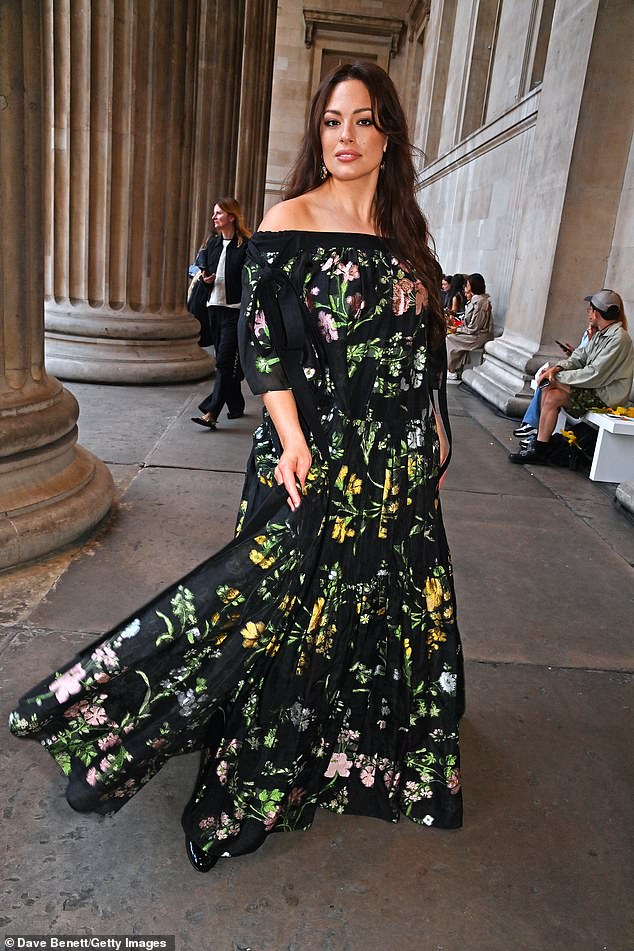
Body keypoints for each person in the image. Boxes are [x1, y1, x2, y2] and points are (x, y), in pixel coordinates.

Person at [9, 62, 464, 873]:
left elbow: (418, 348)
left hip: (394, 465)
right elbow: (263, 341)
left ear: (389, 133)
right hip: (314, 454)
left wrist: (432, 431)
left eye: (363, 120)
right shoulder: (291, 219)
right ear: (317, 135)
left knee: (375, 610)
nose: (346, 138)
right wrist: (290, 438)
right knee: (275, 604)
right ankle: (228, 770)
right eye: (331, 122)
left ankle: (356, 756)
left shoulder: (408, 236)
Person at [509, 289, 633, 465]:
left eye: (589, 309)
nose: (588, 313)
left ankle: (536, 439)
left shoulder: (619, 339)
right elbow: (578, 357)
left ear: (596, 312)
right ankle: (540, 446)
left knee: (551, 387)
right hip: (593, 390)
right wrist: (556, 369)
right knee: (551, 394)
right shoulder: (601, 335)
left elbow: (594, 374)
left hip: (605, 397)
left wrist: (557, 378)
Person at [191, 198, 251, 430]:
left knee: (224, 362)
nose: (214, 217)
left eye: (218, 213)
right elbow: (201, 273)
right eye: (214, 213)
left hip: (234, 312)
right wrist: (206, 281)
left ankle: (211, 411)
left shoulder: (245, 245)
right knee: (224, 361)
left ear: (231, 217)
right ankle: (236, 403)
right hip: (214, 309)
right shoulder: (213, 244)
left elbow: (249, 280)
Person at [513, 323, 595, 441]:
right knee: (547, 381)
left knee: (550, 381)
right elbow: (580, 359)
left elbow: (592, 367)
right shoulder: (589, 330)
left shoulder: (604, 337)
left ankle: (533, 427)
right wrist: (572, 353)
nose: (589, 314)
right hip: (577, 376)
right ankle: (535, 432)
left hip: (583, 382)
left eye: (591, 310)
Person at [445, 273, 493, 379]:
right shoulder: (477, 301)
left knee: (450, 338)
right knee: (451, 335)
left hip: (479, 336)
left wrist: (457, 329)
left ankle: (451, 369)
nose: (466, 287)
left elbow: (474, 327)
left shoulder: (481, 303)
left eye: (467, 285)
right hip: (474, 333)